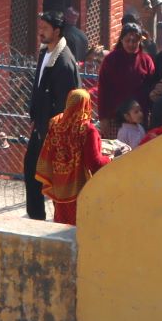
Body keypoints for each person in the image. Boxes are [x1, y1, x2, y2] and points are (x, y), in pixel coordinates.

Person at [23, 10, 80, 219]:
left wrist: (56, 132)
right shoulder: (45, 53)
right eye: (41, 27)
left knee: (55, 178)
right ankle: (36, 218)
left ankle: (59, 220)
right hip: (40, 127)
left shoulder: (63, 62)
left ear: (57, 31)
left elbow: (66, 103)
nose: (41, 32)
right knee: (31, 170)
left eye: (45, 28)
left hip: (54, 132)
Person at [34, 87, 112, 224]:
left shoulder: (56, 123)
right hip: (80, 187)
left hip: (60, 185)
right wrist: (110, 159)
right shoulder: (87, 129)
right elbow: (94, 163)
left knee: (61, 226)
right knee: (79, 226)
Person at [97, 20, 159, 122]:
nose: (131, 44)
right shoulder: (110, 60)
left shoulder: (146, 61)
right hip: (115, 118)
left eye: (134, 41)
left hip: (140, 117)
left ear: (139, 41)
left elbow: (152, 88)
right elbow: (103, 89)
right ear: (121, 40)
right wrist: (103, 118)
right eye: (127, 40)